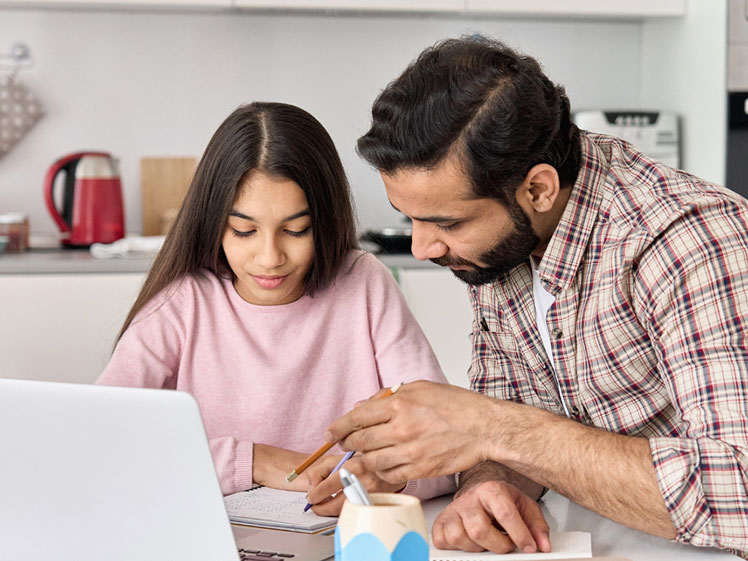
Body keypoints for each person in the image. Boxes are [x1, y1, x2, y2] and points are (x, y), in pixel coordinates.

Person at [324, 35, 748, 557]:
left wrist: (485, 426)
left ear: (539, 189)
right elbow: (512, 422)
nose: (423, 246)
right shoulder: (499, 247)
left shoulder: (686, 239)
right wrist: (488, 487)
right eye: (409, 217)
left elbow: (739, 489)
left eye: (446, 222)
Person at [96, 101, 454, 514]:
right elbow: (102, 440)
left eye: (296, 230)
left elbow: (446, 445)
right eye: (244, 231)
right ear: (214, 223)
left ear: (325, 221)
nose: (270, 257)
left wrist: (390, 475)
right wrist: (253, 461)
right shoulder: (184, 301)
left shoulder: (363, 281)